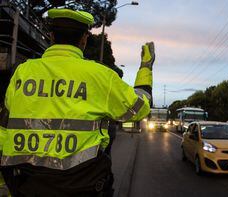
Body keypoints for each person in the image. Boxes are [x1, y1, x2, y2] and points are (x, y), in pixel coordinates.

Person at [0, 8, 154, 196]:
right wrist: (146, 67)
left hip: (25, 184)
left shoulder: (22, 72)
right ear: (84, 39)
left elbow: (5, 127)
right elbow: (139, 108)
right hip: (83, 185)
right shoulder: (101, 76)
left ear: (51, 36)